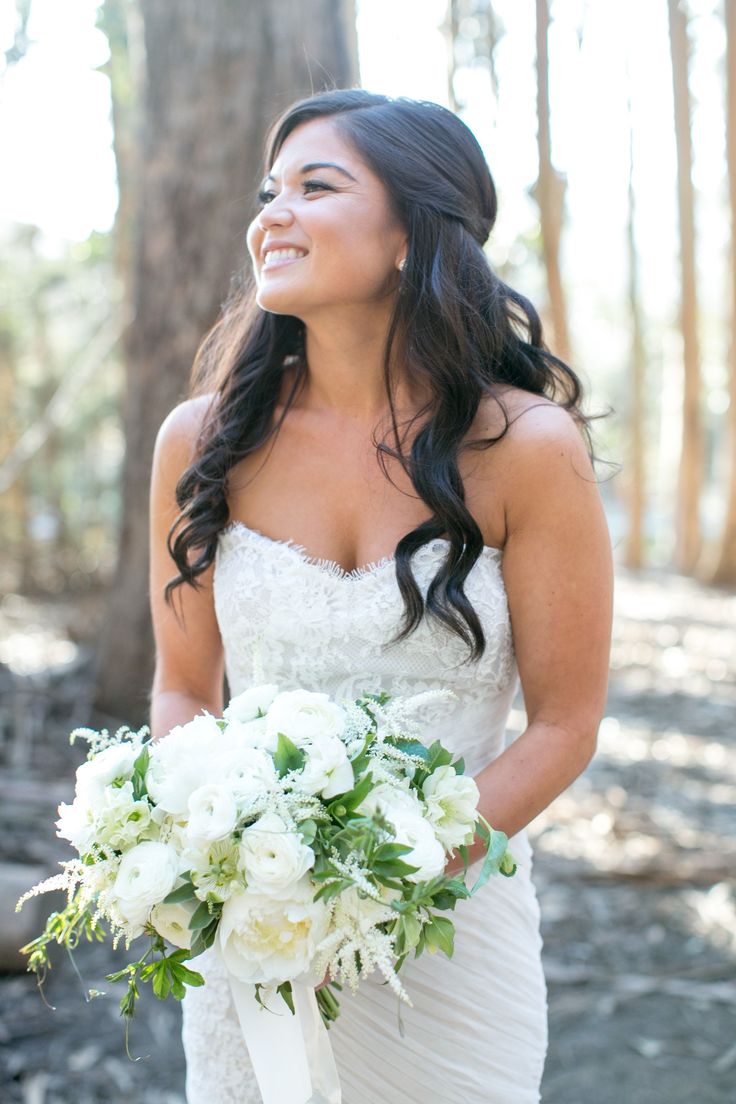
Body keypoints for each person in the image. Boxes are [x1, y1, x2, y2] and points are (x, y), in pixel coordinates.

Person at [148, 88, 613, 1104]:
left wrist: (375, 890)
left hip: (447, 937)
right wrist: (226, 863)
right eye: (269, 190)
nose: (272, 212)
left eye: (317, 186)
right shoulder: (200, 441)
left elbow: (565, 725)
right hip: (255, 936)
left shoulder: (525, 449)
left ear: (412, 232)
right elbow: (183, 690)